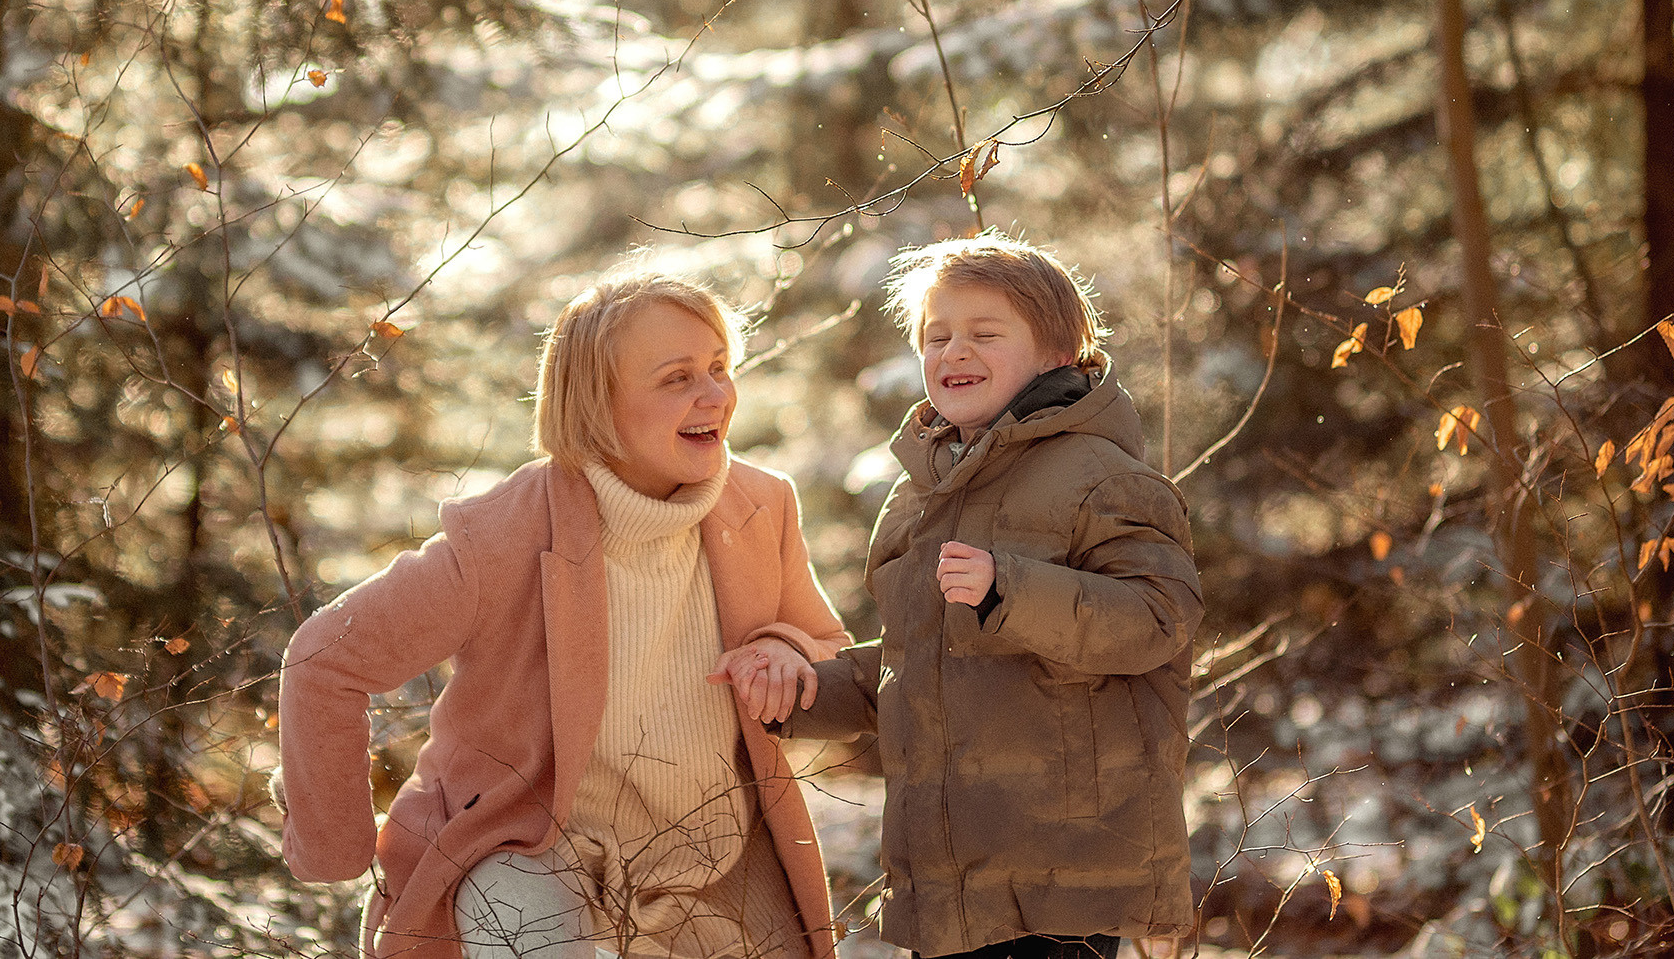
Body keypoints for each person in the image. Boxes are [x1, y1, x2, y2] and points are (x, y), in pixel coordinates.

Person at [274, 272, 852, 959]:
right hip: (527, 846)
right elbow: (324, 659)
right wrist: (337, 849)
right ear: (598, 404)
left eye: (720, 367)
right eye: (677, 377)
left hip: (709, 855)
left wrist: (786, 649)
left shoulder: (763, 505)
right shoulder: (502, 534)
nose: (715, 395)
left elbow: (828, 648)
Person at [780, 234, 1203, 959]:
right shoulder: (919, 497)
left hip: (1065, 876)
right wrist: (801, 695)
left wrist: (1012, 586)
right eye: (936, 336)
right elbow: (920, 667)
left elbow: (1158, 618)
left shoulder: (1100, 474)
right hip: (947, 879)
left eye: (984, 333)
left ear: (1056, 354)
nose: (954, 351)